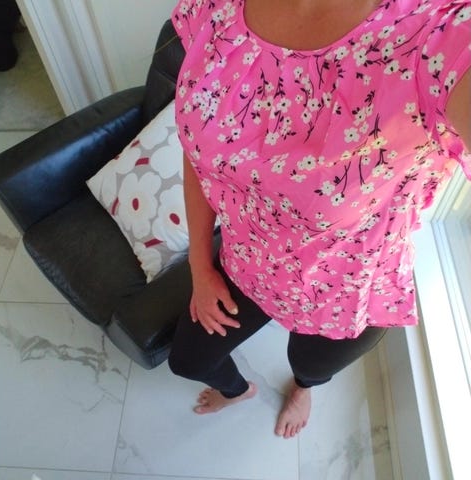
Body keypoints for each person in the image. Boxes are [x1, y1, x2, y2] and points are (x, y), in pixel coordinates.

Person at [168, 0, 471, 439]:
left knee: (308, 367)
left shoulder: (439, 31)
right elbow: (200, 150)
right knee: (188, 360)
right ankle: (238, 391)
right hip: (246, 263)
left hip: (344, 294)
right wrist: (200, 263)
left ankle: (303, 390)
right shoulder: (217, 7)